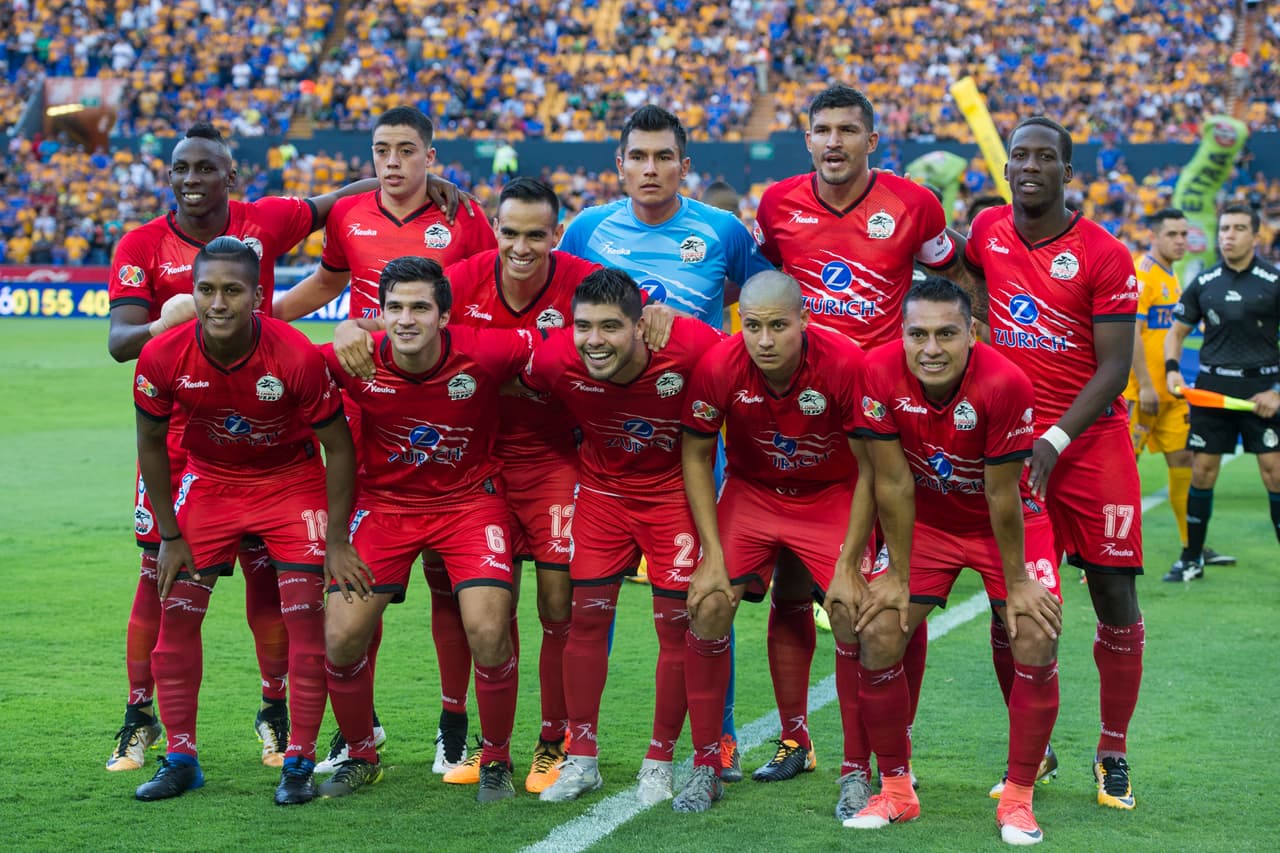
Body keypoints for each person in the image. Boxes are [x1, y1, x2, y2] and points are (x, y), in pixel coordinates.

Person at [106, 122, 376, 774]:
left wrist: (426, 185)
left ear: (231, 177)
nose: (190, 180)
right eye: (180, 168)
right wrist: (160, 322)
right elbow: (119, 342)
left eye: (204, 169)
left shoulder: (266, 220)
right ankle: (139, 717)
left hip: (263, 428)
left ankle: (274, 710)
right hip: (178, 436)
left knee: (270, 578)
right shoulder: (142, 243)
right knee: (159, 576)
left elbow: (337, 201)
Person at [328, 177, 603, 791]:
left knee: (557, 603)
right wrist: (353, 328)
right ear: (494, 230)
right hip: (469, 466)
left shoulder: (581, 278)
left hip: (547, 460)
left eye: (536, 234)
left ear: (556, 235)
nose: (522, 246)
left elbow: (605, 329)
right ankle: (463, 735)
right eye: (511, 232)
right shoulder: (468, 275)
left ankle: (551, 740)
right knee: (475, 609)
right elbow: (404, 311)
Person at [752, 84, 970, 780]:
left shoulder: (915, 204)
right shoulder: (776, 205)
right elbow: (762, 293)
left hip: (887, 421)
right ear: (806, 138)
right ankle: (794, 737)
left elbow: (953, 275)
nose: (836, 141)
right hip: (801, 412)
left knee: (895, 586)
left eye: (849, 129)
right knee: (792, 584)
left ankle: (886, 739)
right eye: (823, 129)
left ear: (872, 140)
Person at [273, 105, 495, 773]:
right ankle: (357, 726)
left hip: (444, 405)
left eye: (406, 148)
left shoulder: (465, 216)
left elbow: (481, 294)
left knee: (446, 581)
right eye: (381, 149)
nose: (392, 160)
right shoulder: (349, 215)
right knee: (360, 579)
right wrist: (267, 317)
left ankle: (453, 719)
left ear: (432, 155)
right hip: (368, 406)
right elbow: (330, 281)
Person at [558, 105, 771, 779]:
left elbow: (749, 293)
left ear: (686, 165)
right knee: (592, 603)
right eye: (637, 157)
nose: (650, 169)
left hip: (695, 444)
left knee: (703, 594)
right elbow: (568, 314)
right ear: (618, 165)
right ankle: (578, 744)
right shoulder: (588, 229)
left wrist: (682, 334)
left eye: (663, 157)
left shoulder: (723, 230)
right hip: (612, 443)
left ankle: (722, 734)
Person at [131, 237, 363, 805]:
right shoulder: (162, 356)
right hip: (211, 484)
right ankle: (181, 757)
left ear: (258, 296)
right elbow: (153, 446)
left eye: (232, 291)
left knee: (306, 624)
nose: (217, 303)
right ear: (192, 291)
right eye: (206, 289)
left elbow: (340, 448)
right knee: (175, 621)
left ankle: (300, 761)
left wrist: (335, 540)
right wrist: (169, 534)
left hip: (291, 483)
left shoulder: (295, 355)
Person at [680, 270, 917, 826]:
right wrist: (712, 555)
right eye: (754, 326)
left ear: (804, 321)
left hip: (832, 493)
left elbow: (869, 471)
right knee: (709, 603)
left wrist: (845, 565)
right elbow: (695, 455)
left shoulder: (845, 363)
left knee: (848, 609)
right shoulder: (720, 364)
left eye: (779, 326)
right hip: (753, 493)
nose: (764, 340)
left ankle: (856, 770)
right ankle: (707, 764)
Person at [965, 116, 1144, 811]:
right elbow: (970, 279)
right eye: (1020, 155)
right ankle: (1032, 752)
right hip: (1012, 447)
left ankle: (1113, 749)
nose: (1030, 165)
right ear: (1006, 167)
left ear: (1070, 171)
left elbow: (1116, 369)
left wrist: (1056, 439)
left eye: (1046, 156)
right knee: (1012, 605)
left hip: (1088, 444)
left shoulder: (1104, 253)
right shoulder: (988, 233)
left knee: (1113, 596)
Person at [853, 277, 1063, 845]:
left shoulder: (1005, 382)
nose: (931, 348)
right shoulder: (876, 371)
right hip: (928, 524)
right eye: (918, 334)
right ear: (901, 334)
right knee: (875, 629)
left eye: (947, 333)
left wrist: (1018, 583)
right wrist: (895, 575)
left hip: (1004, 524)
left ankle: (1018, 798)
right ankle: (896, 790)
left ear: (970, 333)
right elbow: (892, 481)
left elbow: (1001, 494)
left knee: (1034, 633)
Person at [318, 256, 533, 803]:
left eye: (420, 307)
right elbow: (277, 367)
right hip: (385, 507)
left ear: (444, 315)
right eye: (394, 308)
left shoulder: (486, 350)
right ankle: (361, 754)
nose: (406, 319)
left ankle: (498, 760)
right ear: (378, 314)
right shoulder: (355, 358)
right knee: (341, 638)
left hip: (469, 505)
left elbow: (565, 346)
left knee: (488, 631)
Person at [523, 269, 726, 806]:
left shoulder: (691, 347)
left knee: (677, 628)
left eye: (611, 326)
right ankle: (582, 759)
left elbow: (746, 373)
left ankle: (659, 762)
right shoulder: (553, 360)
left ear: (641, 326)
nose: (594, 340)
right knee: (583, 620)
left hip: (673, 498)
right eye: (583, 326)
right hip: (601, 496)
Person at [1163, 203, 1280, 579]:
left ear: (1256, 235)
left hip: (1263, 390)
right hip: (1213, 392)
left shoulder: (1274, 281)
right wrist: (1172, 371)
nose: (1228, 235)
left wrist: (1276, 391)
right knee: (1203, 472)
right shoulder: (1205, 281)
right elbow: (1176, 333)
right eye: (1224, 228)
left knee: (1274, 472)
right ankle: (1192, 558)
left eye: (1238, 228)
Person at [1125, 209, 1235, 576]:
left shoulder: (1172, 276)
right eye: (1172, 234)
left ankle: (1194, 544)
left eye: (1184, 234)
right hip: (1142, 396)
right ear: (1153, 236)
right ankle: (1099, 556)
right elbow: (1131, 336)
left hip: (1171, 396)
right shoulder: (1143, 275)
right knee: (1121, 475)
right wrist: (1147, 385)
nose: (1180, 241)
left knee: (1184, 464)